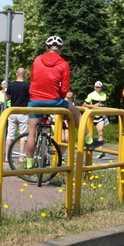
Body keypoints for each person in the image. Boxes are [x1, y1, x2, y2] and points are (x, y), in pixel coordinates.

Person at [26, 36, 99, 170]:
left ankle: (29, 164)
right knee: (76, 112)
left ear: (46, 47)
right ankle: (88, 140)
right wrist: (57, 98)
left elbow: (32, 78)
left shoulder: (37, 60)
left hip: (35, 100)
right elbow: (65, 88)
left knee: (31, 133)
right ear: (61, 49)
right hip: (54, 100)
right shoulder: (63, 64)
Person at [5, 67, 30, 163]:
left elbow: (7, 98)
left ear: (16, 74)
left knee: (10, 134)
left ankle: (7, 156)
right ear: (24, 75)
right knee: (23, 135)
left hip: (13, 111)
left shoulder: (11, 85)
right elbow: (30, 97)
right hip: (23, 111)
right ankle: (21, 157)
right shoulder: (27, 86)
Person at [83, 81, 108, 150]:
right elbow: (84, 105)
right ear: (94, 87)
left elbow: (105, 105)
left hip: (100, 116)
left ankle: (100, 150)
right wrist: (94, 106)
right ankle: (87, 145)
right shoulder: (91, 95)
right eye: (98, 87)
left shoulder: (104, 95)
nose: (99, 89)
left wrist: (105, 111)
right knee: (88, 133)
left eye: (101, 87)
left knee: (101, 132)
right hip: (91, 116)